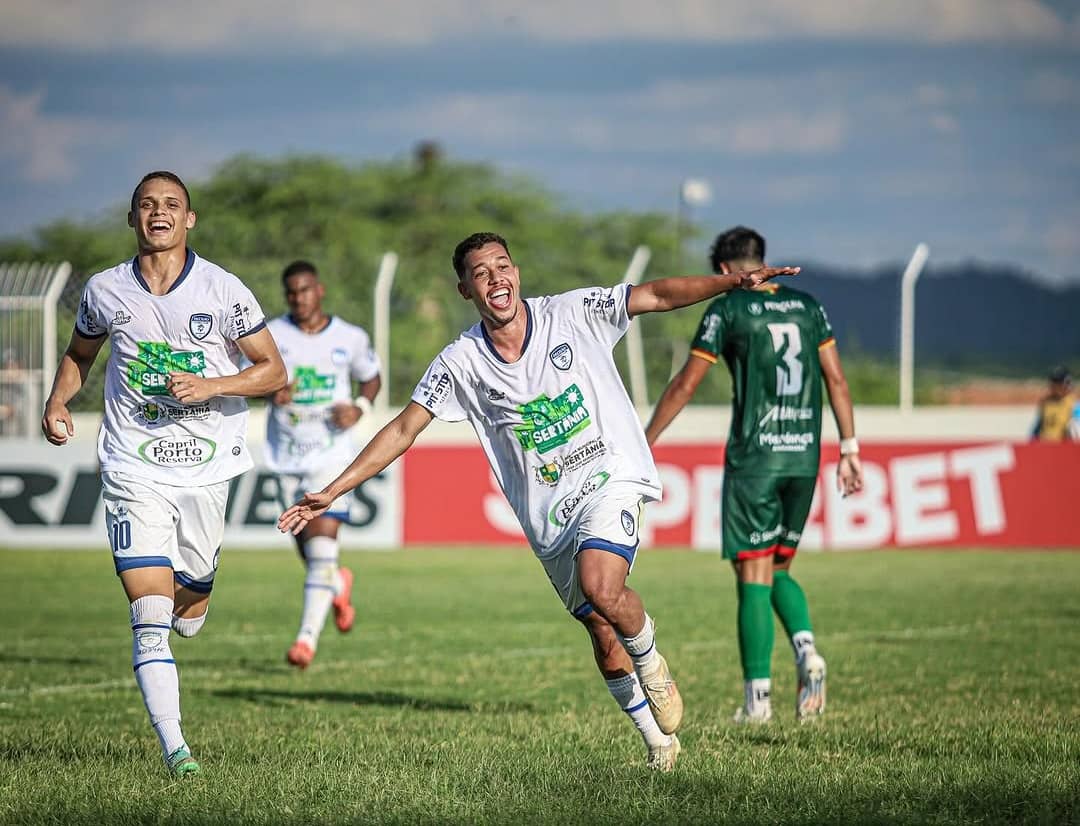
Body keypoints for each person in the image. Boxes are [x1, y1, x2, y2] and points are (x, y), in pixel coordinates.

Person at [279, 231, 798, 770]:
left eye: (502, 266)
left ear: (517, 271)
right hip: (550, 513)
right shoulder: (461, 361)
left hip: (610, 475)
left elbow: (656, 296)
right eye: (481, 273)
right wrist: (334, 489)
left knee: (603, 587)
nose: (495, 278)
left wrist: (731, 282)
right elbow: (404, 428)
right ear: (465, 290)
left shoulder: (573, 313)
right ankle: (657, 742)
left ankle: (650, 656)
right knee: (598, 627)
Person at [41, 170, 287, 777]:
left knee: (192, 596)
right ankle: (176, 750)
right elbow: (79, 356)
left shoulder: (223, 290)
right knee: (149, 620)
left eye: (171, 205)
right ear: (132, 220)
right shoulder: (103, 291)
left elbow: (273, 371)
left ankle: (196, 596)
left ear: (189, 219)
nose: (159, 213)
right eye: (146, 205)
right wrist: (56, 400)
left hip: (205, 468)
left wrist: (214, 385)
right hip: (132, 465)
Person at [644, 226, 862, 724]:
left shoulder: (727, 307)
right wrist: (849, 448)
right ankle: (806, 650)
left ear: (723, 271)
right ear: (759, 258)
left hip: (756, 459)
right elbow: (837, 379)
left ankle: (757, 702)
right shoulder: (808, 306)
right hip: (804, 457)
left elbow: (685, 384)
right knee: (779, 567)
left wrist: (646, 440)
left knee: (751, 569)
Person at [265, 260, 382, 669]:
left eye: (305, 289)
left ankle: (305, 641)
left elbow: (371, 377)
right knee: (311, 552)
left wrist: (360, 407)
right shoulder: (272, 335)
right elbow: (250, 375)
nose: (299, 298)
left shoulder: (349, 337)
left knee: (321, 549)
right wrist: (271, 391)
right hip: (286, 457)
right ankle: (338, 582)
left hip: (331, 456)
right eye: (292, 292)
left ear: (321, 290)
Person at [1031, 366, 1079, 441]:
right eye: (1053, 383)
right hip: (1044, 445)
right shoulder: (1045, 402)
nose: (1054, 387)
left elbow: (1076, 431)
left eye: (1058, 383)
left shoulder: (1074, 404)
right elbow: (1037, 428)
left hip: (1062, 448)